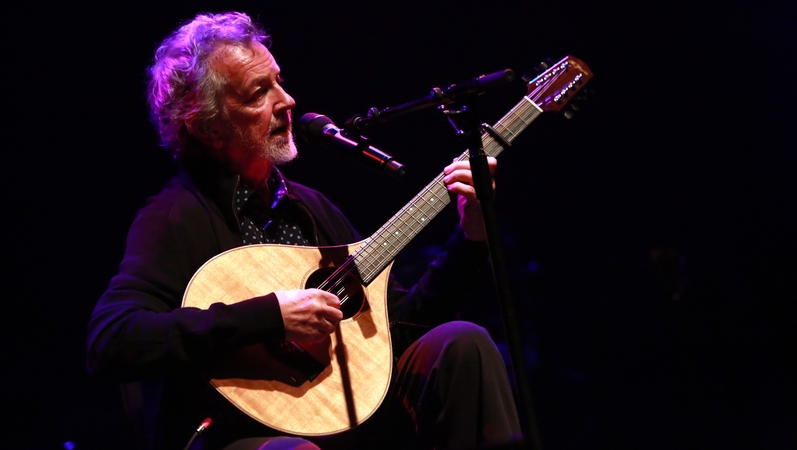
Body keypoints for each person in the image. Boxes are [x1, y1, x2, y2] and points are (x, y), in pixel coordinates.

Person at [87, 11, 521, 450]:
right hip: (242, 434)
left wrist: (471, 238)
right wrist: (270, 316)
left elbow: (399, 326)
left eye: (278, 80)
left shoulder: (310, 208)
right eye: (260, 92)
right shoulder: (175, 218)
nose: (287, 100)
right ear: (209, 127)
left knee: (461, 342)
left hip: (344, 412)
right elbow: (112, 341)